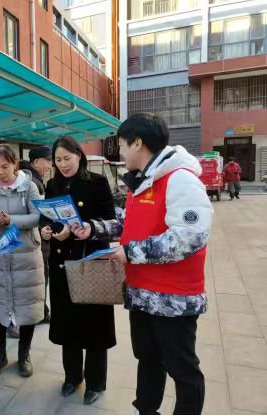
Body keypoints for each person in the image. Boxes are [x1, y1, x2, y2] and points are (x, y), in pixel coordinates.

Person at [71, 113, 213, 415]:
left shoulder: (180, 179)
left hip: (173, 299)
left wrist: (130, 252)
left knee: (182, 369)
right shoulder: (142, 182)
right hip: (142, 293)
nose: (120, 152)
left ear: (138, 143)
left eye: (122, 145)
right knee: (148, 359)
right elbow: (129, 224)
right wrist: (93, 228)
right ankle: (146, 409)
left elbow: (190, 237)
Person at [39, 136, 117, 405]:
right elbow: (46, 215)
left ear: (79, 156)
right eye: (58, 160)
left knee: (94, 325)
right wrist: (46, 229)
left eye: (67, 158)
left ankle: (95, 382)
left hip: (90, 262)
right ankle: (72, 377)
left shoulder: (97, 182)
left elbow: (110, 220)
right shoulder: (53, 184)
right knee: (67, 323)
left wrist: (80, 229)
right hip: (62, 264)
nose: (63, 164)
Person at [0, 144, 46, 379]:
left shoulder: (29, 186)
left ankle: (24, 355)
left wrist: (10, 221)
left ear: (15, 164)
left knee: (27, 307)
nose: (0, 172)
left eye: (5, 166)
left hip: (26, 256)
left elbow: (37, 217)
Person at [20, 146, 53, 324]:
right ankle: (38, 314)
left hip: (28, 239)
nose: (50, 165)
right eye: (48, 161)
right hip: (36, 240)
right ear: (36, 162)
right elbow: (38, 215)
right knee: (38, 278)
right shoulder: (34, 182)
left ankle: (41, 311)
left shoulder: (27, 178)